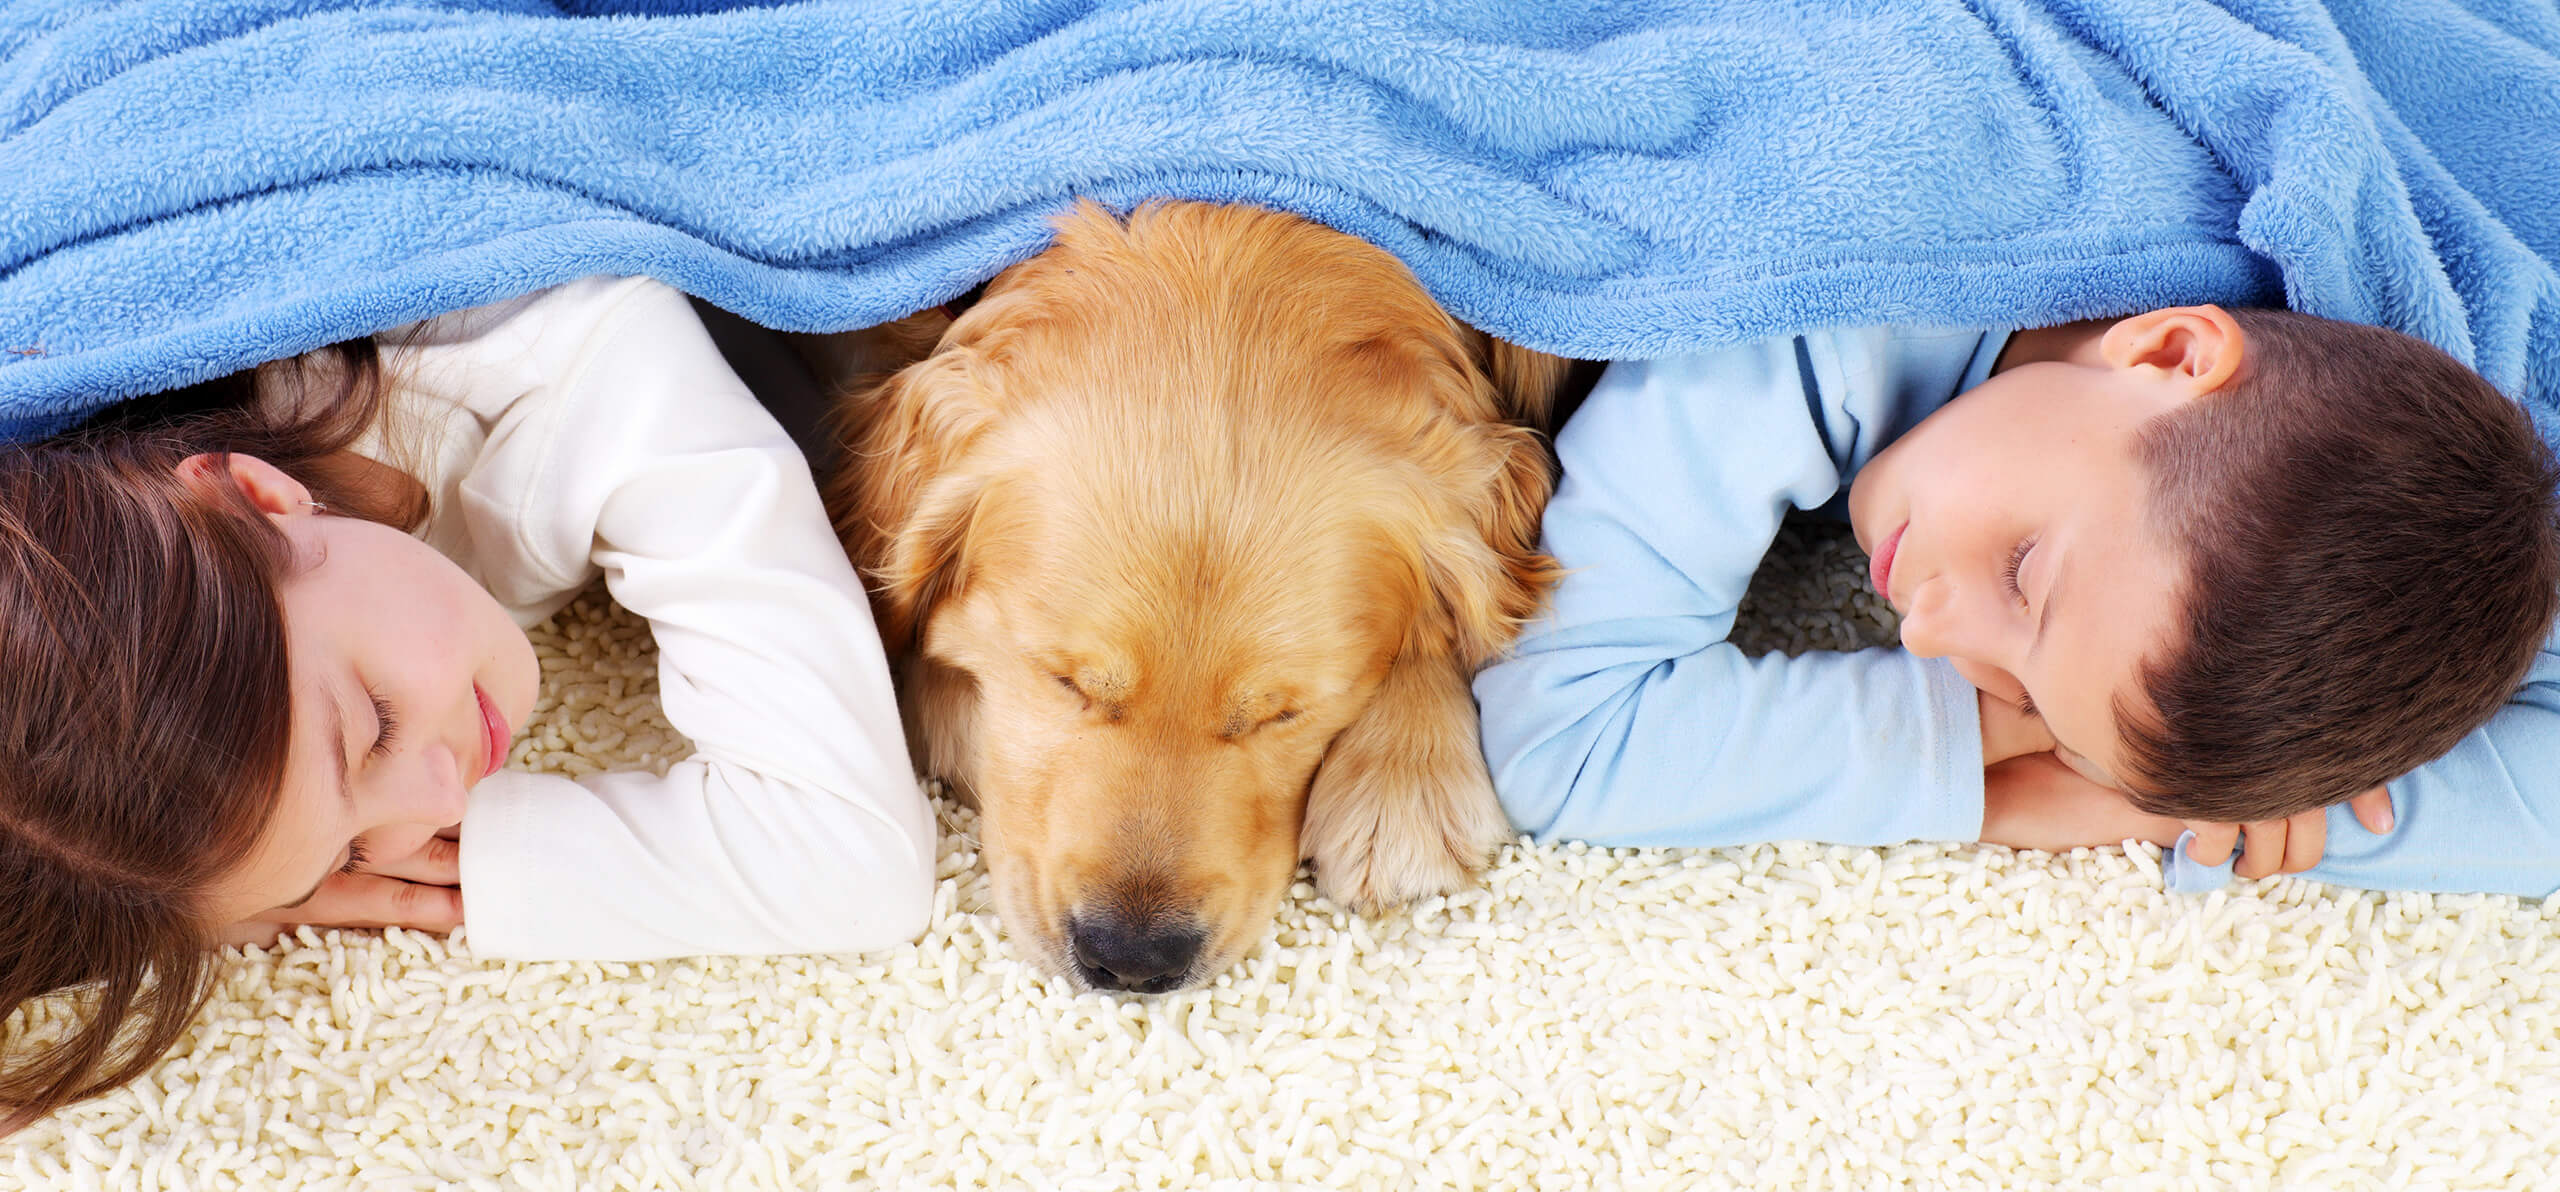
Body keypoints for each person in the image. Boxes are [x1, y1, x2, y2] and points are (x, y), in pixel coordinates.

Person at [0, 276, 937, 1132]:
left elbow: (855, 852)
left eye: (376, 723)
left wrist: (487, 867)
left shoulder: (580, 368)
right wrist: (216, 887)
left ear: (260, 493)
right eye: (351, 856)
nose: (447, 805)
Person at [1474, 305, 2560, 896]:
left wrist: (2151, 791)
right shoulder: (1818, 314)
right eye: (2023, 572)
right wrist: (1998, 789)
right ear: (2169, 348)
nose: (1926, 632)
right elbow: (1563, 739)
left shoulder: (2386, 470)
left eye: (2015, 693)